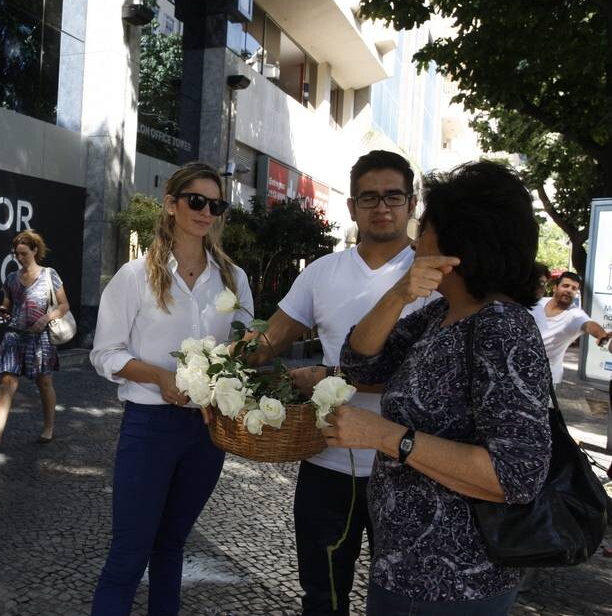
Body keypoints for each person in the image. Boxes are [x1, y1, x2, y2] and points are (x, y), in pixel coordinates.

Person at [326, 161, 552, 615]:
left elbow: (516, 476)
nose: (414, 238)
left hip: (454, 583)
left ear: (458, 242)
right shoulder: (443, 314)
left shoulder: (502, 328)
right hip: (405, 569)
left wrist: (384, 436)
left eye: (423, 225)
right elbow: (357, 362)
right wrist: (398, 294)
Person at [250, 150, 427, 616]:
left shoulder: (435, 275)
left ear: (411, 203)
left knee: (406, 600)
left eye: (393, 196)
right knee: (323, 596)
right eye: (369, 197)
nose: (382, 207)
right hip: (329, 461)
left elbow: (429, 379)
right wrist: (212, 370)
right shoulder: (322, 273)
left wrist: (330, 377)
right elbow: (271, 338)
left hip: (415, 465)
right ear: (352, 207)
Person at [89, 162, 253, 615]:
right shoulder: (135, 276)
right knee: (128, 553)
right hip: (149, 427)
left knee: (172, 545)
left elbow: (242, 352)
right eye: (195, 201)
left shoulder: (234, 279)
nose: (205, 212)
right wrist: (159, 377)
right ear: (172, 204)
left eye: (214, 204)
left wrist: (245, 357)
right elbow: (104, 353)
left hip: (207, 431)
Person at [0, 230, 70, 452]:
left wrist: (47, 318)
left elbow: (64, 305)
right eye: (16, 254)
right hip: (14, 336)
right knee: (6, 383)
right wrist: (3, 310)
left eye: (23, 253)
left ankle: (48, 428)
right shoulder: (11, 278)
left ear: (35, 250)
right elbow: (7, 303)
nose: (19, 258)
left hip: (40, 338)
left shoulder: (50, 274)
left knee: (44, 383)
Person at [529, 271, 611, 384]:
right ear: (555, 288)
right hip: (519, 367)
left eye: (574, 288)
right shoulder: (537, 303)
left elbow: (589, 325)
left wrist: (602, 335)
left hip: (544, 378)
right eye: (565, 286)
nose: (569, 290)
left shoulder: (575, 315)